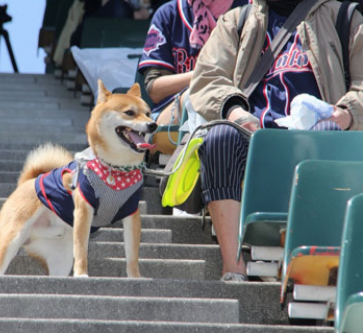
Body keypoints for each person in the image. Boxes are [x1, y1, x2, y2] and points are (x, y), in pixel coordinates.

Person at [185, 0, 363, 281]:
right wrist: (236, 112)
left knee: (331, 138)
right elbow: (209, 77)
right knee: (220, 137)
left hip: (320, 135)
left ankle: (319, 264)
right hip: (254, 136)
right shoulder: (239, 20)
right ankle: (233, 266)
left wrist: (344, 115)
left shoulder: (345, 16)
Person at [138, 0, 248, 129]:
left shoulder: (249, 13)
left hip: (237, 107)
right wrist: (206, 75)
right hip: (173, 114)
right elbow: (155, 90)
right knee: (198, 96)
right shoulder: (169, 13)